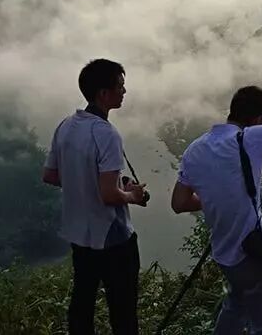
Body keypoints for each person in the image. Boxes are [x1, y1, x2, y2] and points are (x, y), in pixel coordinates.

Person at [171, 86, 262, 335]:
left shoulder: (195, 149)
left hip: (225, 254)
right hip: (253, 252)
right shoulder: (251, 139)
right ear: (258, 120)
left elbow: (179, 203)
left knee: (237, 303)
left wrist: (215, 197)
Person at [42, 59, 148, 335]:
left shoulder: (66, 126)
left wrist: (88, 182)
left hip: (80, 235)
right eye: (120, 86)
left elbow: (51, 176)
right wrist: (133, 195)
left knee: (82, 303)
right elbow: (109, 195)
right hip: (112, 236)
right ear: (104, 93)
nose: (124, 92)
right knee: (123, 309)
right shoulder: (106, 134)